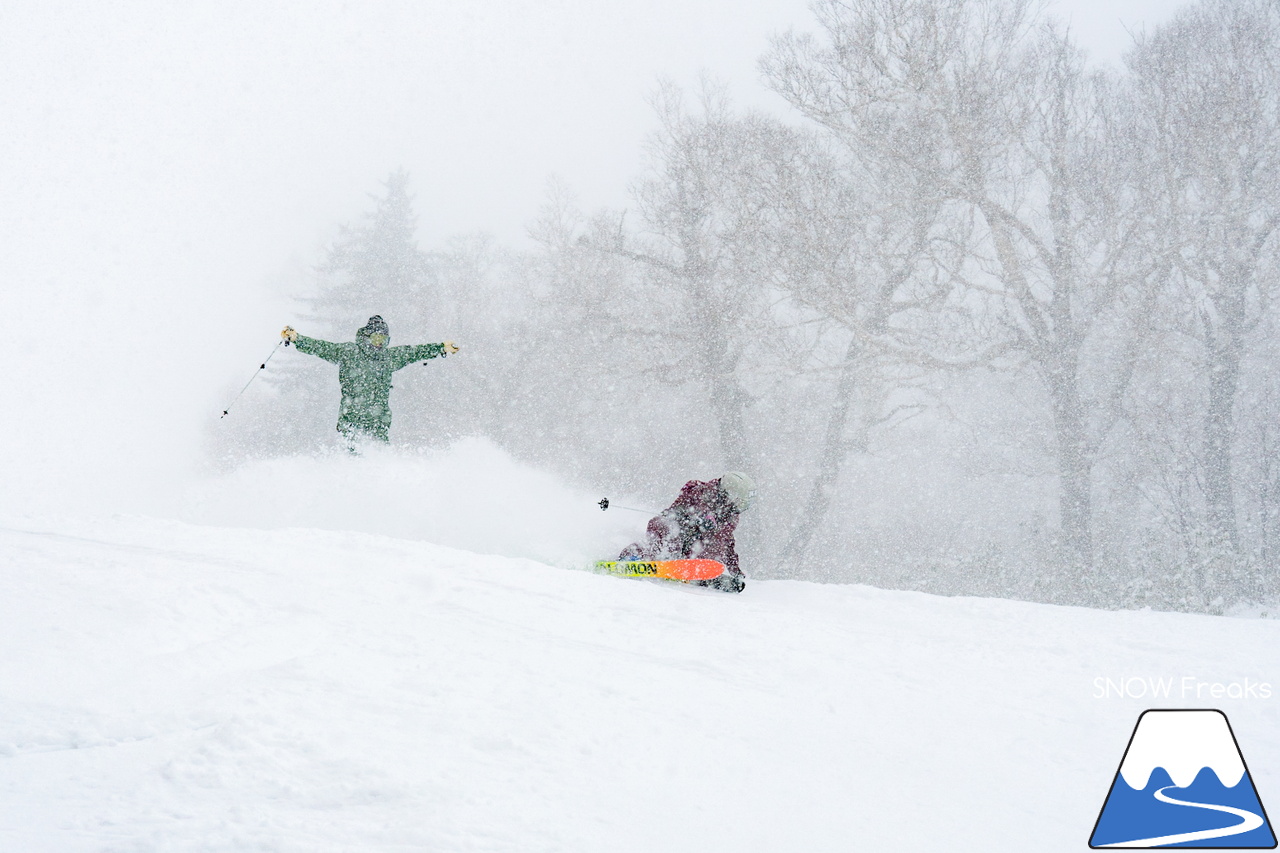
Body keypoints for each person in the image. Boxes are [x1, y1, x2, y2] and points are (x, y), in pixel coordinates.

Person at [281, 315, 459, 448]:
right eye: (376, 338)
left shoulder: (389, 357)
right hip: (351, 422)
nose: (379, 343)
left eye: (383, 339)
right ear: (366, 337)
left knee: (379, 463)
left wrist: (440, 347)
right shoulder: (349, 352)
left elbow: (414, 352)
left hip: (378, 423)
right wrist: (298, 338)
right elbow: (322, 347)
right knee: (353, 461)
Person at [618, 472, 755, 593]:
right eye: (740, 501)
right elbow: (699, 503)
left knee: (716, 545)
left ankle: (698, 574)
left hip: (692, 545)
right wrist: (704, 516)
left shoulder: (730, 514)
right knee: (669, 537)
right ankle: (633, 557)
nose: (740, 506)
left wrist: (734, 568)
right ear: (729, 492)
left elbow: (727, 540)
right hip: (671, 528)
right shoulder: (703, 491)